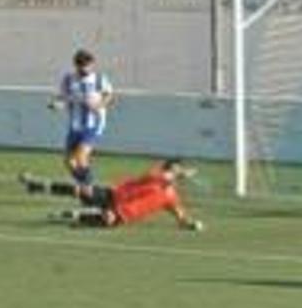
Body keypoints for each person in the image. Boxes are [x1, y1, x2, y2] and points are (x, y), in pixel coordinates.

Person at [18, 159, 203, 230]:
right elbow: (164, 176)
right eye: (173, 168)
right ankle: (36, 186)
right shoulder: (156, 175)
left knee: (104, 218)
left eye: (177, 169)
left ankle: (69, 218)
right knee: (81, 189)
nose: (174, 171)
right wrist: (180, 173)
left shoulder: (171, 196)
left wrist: (190, 224)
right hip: (113, 196)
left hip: (124, 213)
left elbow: (180, 216)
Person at [49, 49, 113, 200]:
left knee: (81, 156)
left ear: (92, 64)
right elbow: (63, 98)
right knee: (69, 161)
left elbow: (109, 95)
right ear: (75, 65)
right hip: (75, 125)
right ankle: (83, 184)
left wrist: (99, 105)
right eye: (80, 66)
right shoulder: (68, 79)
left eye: (87, 65)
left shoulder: (99, 79)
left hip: (93, 124)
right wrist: (58, 105)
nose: (84, 69)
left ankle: (88, 190)